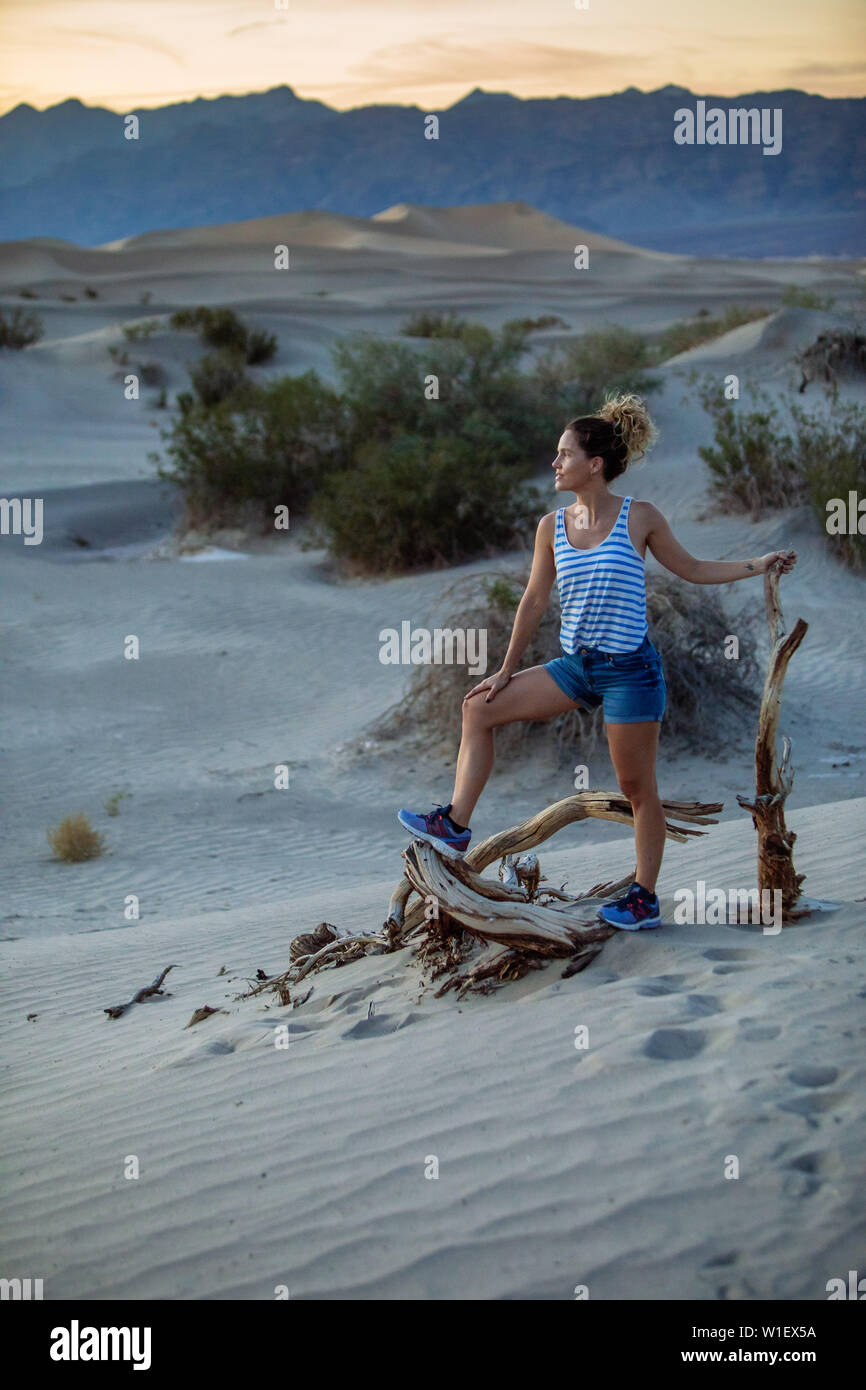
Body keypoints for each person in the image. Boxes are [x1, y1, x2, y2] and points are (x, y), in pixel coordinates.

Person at [397, 393, 797, 930]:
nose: (556, 463)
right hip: (576, 667)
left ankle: (643, 896)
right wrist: (506, 670)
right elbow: (535, 601)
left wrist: (760, 564)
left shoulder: (641, 517)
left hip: (631, 671)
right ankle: (455, 824)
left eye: (564, 454)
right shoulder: (551, 527)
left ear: (596, 464)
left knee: (637, 789)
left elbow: (695, 569)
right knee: (477, 709)